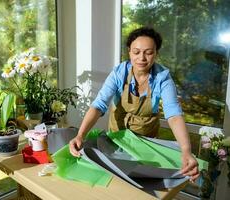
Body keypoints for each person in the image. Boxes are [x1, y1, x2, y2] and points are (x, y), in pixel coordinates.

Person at [69, 27, 199, 181]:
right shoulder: (119, 73)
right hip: (117, 138)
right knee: (117, 179)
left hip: (146, 141)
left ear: (156, 53)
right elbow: (99, 105)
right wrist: (80, 135)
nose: (142, 58)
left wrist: (186, 150)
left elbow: (174, 115)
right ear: (129, 52)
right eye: (136, 52)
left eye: (148, 52)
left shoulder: (163, 78)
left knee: (143, 180)